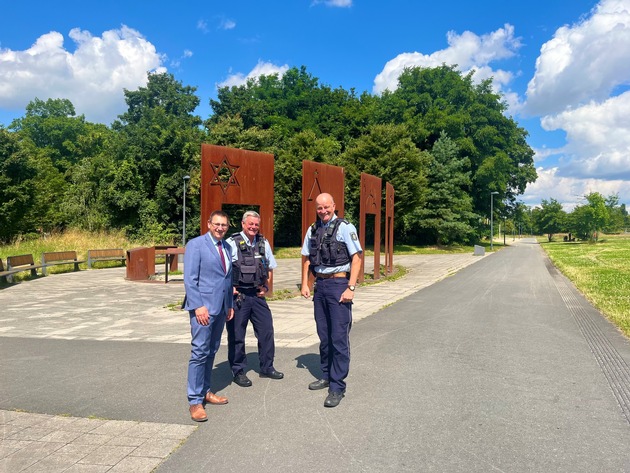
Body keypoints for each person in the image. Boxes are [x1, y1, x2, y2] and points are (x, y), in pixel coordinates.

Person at [300, 193, 362, 408]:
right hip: (321, 286)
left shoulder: (346, 227)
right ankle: (326, 375)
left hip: (338, 285)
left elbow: (357, 258)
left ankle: (337, 386)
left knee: (338, 337)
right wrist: (305, 283)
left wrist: (351, 288)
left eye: (326, 207)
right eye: (319, 208)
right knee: (324, 335)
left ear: (334, 206)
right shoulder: (313, 229)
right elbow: (307, 258)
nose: (323, 211)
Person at [183, 210, 234, 422]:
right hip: (203, 309)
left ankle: (205, 391)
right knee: (199, 352)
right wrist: (198, 306)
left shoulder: (227, 247)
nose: (220, 228)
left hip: (221, 308)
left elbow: (227, 279)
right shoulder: (196, 245)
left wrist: (229, 305)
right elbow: (190, 279)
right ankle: (195, 401)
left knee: (211, 351)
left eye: (224, 225)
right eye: (217, 224)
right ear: (208, 224)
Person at [225, 210, 284, 387]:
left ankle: (267, 367)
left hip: (257, 296)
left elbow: (270, 267)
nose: (253, 227)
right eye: (250, 224)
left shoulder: (263, 242)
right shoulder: (231, 243)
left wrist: (266, 287)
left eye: (256, 225)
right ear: (243, 224)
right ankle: (238, 371)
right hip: (239, 296)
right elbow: (223, 268)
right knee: (237, 335)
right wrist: (230, 288)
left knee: (266, 331)